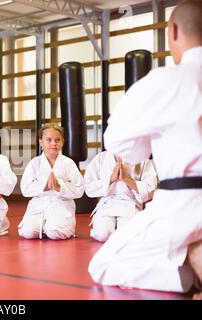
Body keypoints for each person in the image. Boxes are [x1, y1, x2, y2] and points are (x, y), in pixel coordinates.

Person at [88, 0, 202, 298]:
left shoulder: (168, 80)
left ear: (173, 31)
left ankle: (192, 256)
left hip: (186, 202)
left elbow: (121, 146)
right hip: (173, 201)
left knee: (104, 264)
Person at [18, 124, 84, 240]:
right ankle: (44, 227)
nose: (53, 143)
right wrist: (44, 186)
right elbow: (25, 189)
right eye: (49, 140)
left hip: (61, 205)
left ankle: (51, 227)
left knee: (55, 233)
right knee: (28, 233)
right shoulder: (35, 163)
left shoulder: (68, 163)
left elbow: (79, 189)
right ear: (41, 142)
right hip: (39, 205)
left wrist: (60, 187)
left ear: (62, 142)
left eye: (57, 140)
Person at [84, 151, 158, 242]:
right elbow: (89, 187)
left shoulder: (142, 159)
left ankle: (119, 233)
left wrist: (127, 180)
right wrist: (111, 179)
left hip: (130, 204)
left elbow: (151, 188)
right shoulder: (101, 158)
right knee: (102, 233)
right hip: (107, 204)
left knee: (126, 235)